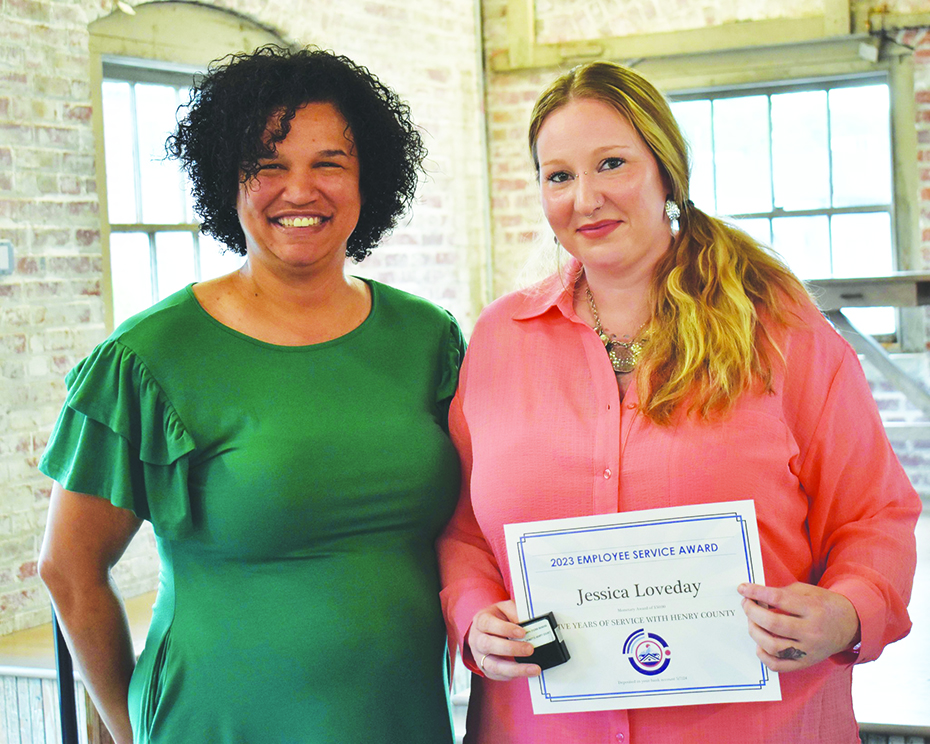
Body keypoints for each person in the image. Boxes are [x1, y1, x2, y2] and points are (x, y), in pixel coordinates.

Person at [437, 60, 921, 743]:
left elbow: (875, 515)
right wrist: (475, 616)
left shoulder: (779, 329)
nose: (586, 198)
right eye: (559, 176)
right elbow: (463, 530)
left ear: (666, 170)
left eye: (612, 164)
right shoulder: (498, 340)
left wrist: (847, 612)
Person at [38, 45, 464, 744]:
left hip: (401, 716)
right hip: (220, 720)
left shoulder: (428, 339)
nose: (300, 191)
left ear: (369, 179)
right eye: (268, 166)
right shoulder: (148, 358)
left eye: (329, 163)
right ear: (226, 182)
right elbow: (68, 567)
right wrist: (129, 727)